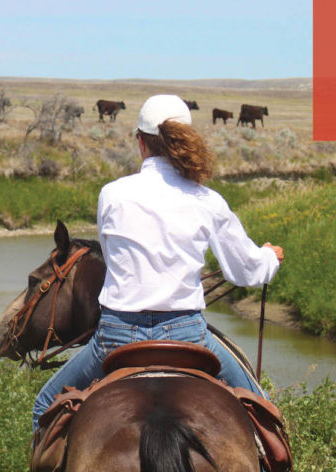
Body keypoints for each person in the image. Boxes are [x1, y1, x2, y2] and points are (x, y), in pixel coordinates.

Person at [32, 94, 284, 430]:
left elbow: (113, 259)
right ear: (186, 141)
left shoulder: (112, 194)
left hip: (115, 337)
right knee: (263, 414)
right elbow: (246, 271)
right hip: (186, 336)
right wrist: (270, 257)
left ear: (140, 142)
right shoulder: (207, 200)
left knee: (44, 406)